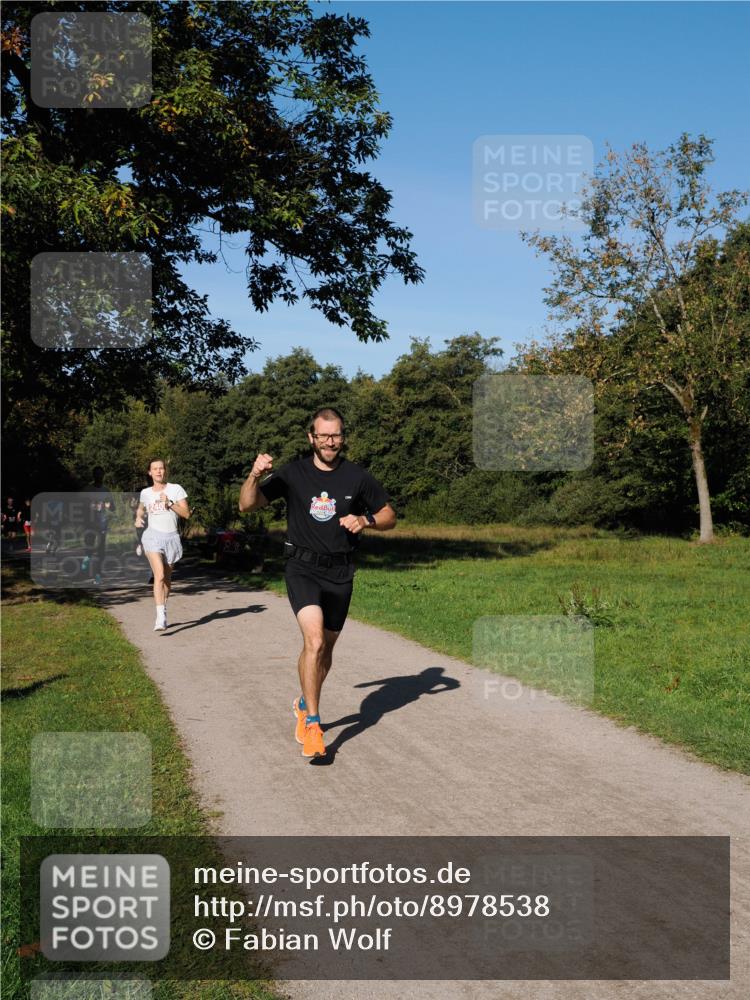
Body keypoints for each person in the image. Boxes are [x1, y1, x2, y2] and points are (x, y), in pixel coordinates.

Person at [239, 407, 396, 759]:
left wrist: (365, 519)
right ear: (311, 437)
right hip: (302, 568)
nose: (330, 441)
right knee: (313, 641)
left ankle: (301, 702)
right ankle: (313, 722)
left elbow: (389, 515)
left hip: (341, 573)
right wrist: (253, 475)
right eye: (323, 435)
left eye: (336, 434)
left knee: (325, 651)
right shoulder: (293, 473)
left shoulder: (357, 477)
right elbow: (247, 505)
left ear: (343, 437)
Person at [134, 459, 190, 631]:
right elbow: (141, 508)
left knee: (166, 578)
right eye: (155, 469)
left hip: (171, 538)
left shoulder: (176, 489)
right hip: (152, 537)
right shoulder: (145, 493)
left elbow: (186, 514)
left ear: (165, 471)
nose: (158, 471)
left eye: (161, 468)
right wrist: (138, 517)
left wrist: (170, 504)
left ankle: (163, 606)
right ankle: (160, 617)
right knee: (158, 575)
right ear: (149, 473)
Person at [81, 466, 114, 584]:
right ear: (93, 475)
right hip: (89, 524)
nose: (99, 476)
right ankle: (87, 558)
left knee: (101, 551)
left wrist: (109, 506)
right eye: (97, 474)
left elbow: (113, 507)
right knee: (89, 548)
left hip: (102, 524)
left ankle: (98, 575)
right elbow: (80, 506)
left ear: (103, 475)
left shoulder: (106, 491)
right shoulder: (87, 490)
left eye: (101, 474)